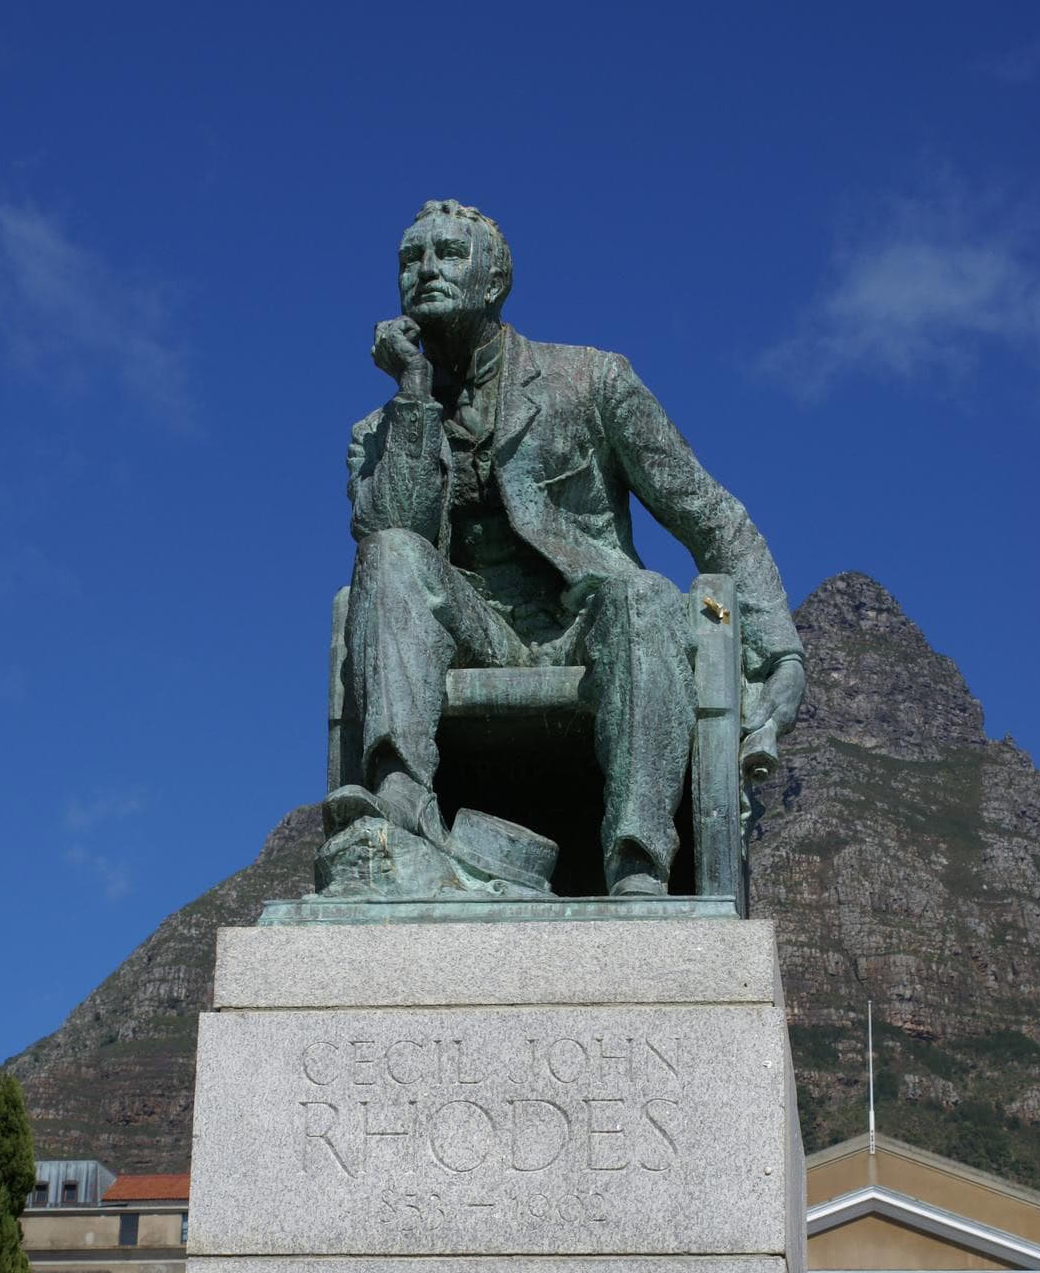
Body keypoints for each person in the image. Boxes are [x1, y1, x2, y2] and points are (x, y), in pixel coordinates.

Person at [343, 199, 804, 897]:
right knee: (388, 554)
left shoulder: (592, 380)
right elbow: (394, 528)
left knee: (644, 596)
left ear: (494, 280)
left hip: (587, 623)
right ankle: (401, 810)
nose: (427, 269)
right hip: (469, 633)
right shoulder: (377, 431)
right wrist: (413, 396)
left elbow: (708, 515)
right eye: (412, 258)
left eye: (449, 254)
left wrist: (780, 654)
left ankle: (638, 861)